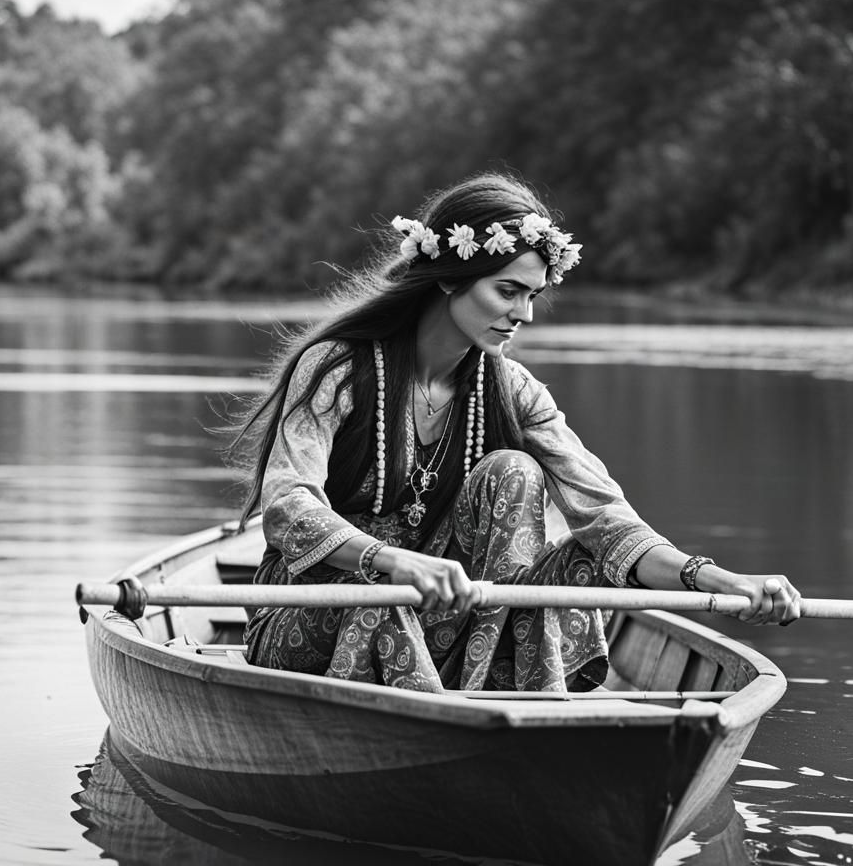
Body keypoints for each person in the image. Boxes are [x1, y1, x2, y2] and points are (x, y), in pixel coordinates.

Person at [227, 172, 800, 693]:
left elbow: (606, 517)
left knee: (523, 482)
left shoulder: (515, 390)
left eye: (532, 295)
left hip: (447, 632)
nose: (523, 314)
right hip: (312, 617)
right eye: (507, 290)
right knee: (384, 600)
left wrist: (715, 581)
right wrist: (391, 561)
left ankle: (505, 708)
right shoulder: (337, 367)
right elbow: (288, 505)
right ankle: (454, 722)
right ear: (449, 280)